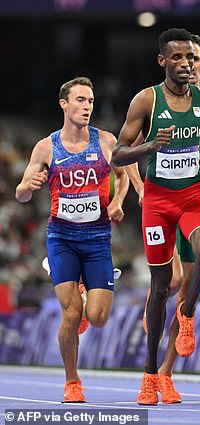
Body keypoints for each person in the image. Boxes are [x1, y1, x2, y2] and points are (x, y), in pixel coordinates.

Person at [112, 28, 200, 405]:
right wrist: (150, 145)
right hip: (158, 203)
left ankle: (189, 313)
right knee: (160, 287)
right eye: (177, 58)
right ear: (163, 61)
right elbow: (118, 155)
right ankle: (149, 374)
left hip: (193, 197)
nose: (186, 64)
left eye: (192, 58)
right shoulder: (146, 101)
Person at [15, 77, 129, 402]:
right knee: (71, 314)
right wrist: (28, 186)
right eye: (80, 100)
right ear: (64, 104)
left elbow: (125, 178)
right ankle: (72, 382)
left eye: (90, 101)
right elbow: (20, 193)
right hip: (61, 237)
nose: (87, 107)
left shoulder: (105, 141)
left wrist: (119, 201)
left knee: (98, 317)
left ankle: (84, 286)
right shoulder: (46, 147)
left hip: (97, 239)